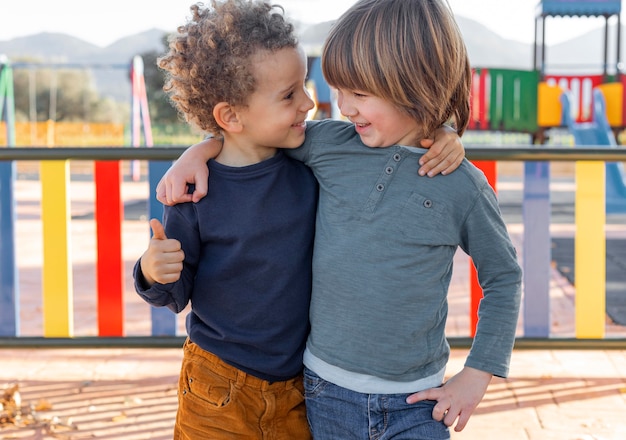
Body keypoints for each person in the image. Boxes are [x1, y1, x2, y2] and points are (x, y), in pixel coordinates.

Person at [152, 1, 503, 440]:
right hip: (313, 393)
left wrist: (478, 374)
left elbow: (504, 278)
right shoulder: (328, 146)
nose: (336, 106)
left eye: (358, 93)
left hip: (414, 401)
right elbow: (249, 133)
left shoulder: (460, 184)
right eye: (339, 90)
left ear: (416, 86)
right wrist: (199, 150)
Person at [133, 1, 318, 438]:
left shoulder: (313, 169)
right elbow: (172, 294)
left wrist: (443, 134)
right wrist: (150, 270)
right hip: (217, 387)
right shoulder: (194, 194)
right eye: (289, 94)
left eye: (303, 86)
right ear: (230, 116)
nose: (308, 103)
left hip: (299, 388)